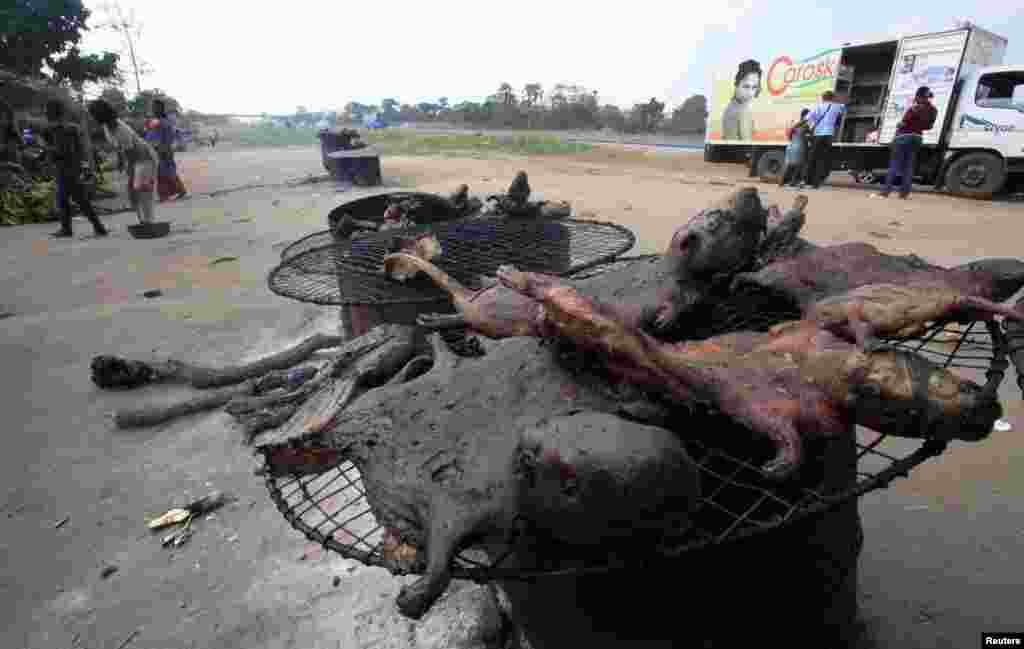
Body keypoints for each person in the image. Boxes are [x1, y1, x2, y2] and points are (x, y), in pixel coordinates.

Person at [42, 100, 108, 238]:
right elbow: (76, 149)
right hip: (72, 168)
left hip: (66, 169)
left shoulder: (61, 129)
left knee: (74, 199)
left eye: (46, 111)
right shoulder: (69, 128)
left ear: (52, 112)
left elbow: (63, 151)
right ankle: (91, 227)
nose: (45, 113)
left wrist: (45, 147)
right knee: (69, 199)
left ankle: (89, 227)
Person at [88, 99, 159, 226]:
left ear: (99, 115)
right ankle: (143, 221)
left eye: (93, 114)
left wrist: (130, 171)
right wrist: (121, 161)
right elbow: (120, 148)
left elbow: (130, 152)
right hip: (135, 158)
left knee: (142, 190)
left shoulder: (120, 129)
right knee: (135, 190)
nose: (92, 117)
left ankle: (148, 221)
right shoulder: (107, 127)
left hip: (145, 158)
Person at [876, 86, 938, 199]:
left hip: (904, 137)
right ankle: (904, 194)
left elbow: (903, 123)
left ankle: (885, 193)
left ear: (919, 96)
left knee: (894, 164)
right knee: (909, 167)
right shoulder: (933, 110)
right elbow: (929, 127)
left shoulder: (914, 108)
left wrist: (898, 127)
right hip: (918, 138)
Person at [801, 91, 847, 189]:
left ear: (823, 98)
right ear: (832, 98)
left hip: (818, 135)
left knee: (812, 158)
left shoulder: (819, 107)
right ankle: (816, 183)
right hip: (829, 136)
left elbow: (807, 118)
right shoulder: (837, 106)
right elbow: (844, 109)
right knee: (822, 160)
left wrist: (795, 126)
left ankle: (806, 181)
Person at [151, 99, 188, 202]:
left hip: (164, 150)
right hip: (163, 150)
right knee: (167, 172)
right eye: (153, 108)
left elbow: (163, 137)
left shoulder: (162, 122)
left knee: (164, 173)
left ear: (159, 109)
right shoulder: (161, 121)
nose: (153, 110)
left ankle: (166, 195)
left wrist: (162, 148)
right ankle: (179, 191)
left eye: (154, 108)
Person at [721, 60, 762, 141]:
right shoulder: (741, 110)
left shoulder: (732, 107)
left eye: (754, 87)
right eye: (746, 86)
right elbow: (746, 142)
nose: (750, 93)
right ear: (736, 85)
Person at [780, 108, 810, 188]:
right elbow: (810, 136)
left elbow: (789, 136)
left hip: (791, 146)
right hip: (800, 146)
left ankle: (782, 182)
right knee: (799, 166)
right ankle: (793, 182)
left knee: (789, 165)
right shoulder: (806, 125)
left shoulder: (794, 125)